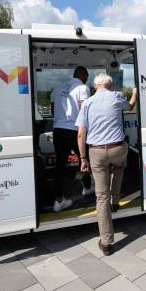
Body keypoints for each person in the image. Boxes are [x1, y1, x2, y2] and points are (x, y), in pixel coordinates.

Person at [76, 73, 138, 256]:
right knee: (119, 167)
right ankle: (116, 201)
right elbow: (130, 106)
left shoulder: (87, 103)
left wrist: (83, 159)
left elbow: (81, 134)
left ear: (95, 86)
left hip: (96, 152)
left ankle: (107, 242)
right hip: (118, 148)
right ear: (109, 85)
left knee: (101, 196)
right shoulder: (117, 97)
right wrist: (135, 92)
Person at [50, 66, 93, 212]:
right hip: (75, 130)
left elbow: (52, 110)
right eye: (86, 76)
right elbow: (84, 111)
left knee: (59, 165)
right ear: (82, 75)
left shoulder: (57, 88)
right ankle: (87, 188)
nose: (87, 79)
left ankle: (59, 200)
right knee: (84, 159)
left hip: (58, 130)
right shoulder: (82, 88)